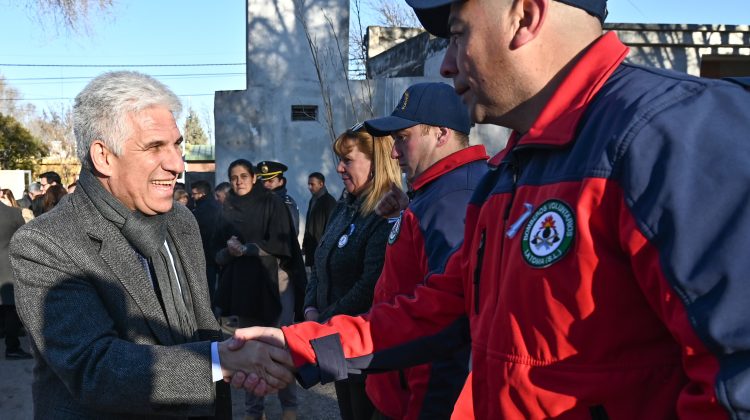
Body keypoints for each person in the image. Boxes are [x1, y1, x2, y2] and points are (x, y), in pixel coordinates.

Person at [231, 0, 750, 418]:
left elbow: (735, 381)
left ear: (525, 15)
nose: (447, 63)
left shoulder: (676, 134)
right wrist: (299, 347)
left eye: (458, 33)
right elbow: (438, 312)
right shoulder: (511, 170)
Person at [9, 71, 295, 419]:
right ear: (104, 156)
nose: (177, 164)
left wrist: (239, 344)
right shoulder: (44, 243)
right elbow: (95, 368)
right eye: (154, 147)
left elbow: (190, 328)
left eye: (177, 144)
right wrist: (221, 360)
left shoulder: (180, 220)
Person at [360, 81, 488, 420]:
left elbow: (448, 329)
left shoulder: (452, 198)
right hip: (399, 388)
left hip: (416, 401)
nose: (393, 153)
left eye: (403, 138)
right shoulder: (440, 192)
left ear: (442, 134)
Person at [302, 124, 403, 420]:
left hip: (363, 348)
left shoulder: (386, 212)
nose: (339, 168)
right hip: (332, 339)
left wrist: (322, 321)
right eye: (340, 160)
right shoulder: (345, 205)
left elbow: (369, 283)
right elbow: (320, 259)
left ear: (376, 163)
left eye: (348, 160)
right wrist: (310, 306)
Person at [212, 158, 306, 420]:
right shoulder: (227, 207)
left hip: (274, 281)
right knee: (249, 345)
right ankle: (255, 411)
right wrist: (229, 252)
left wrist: (248, 249)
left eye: (244, 176)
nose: (238, 181)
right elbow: (216, 250)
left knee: (279, 343)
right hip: (244, 287)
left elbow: (282, 245)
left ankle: (289, 407)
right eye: (233, 177)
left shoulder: (272, 203)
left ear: (253, 178)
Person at [0, 192, 32, 360]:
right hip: (7, 267)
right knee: (11, 308)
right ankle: (12, 347)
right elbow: (21, 240)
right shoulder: (13, 214)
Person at [191, 180, 222, 305]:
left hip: (206, 254)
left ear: (202, 193)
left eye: (194, 193)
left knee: (208, 288)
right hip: (213, 253)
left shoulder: (203, 210)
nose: (192, 196)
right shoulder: (214, 206)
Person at [301, 172, 336, 268]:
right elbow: (309, 225)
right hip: (312, 250)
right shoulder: (313, 200)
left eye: (312, 184)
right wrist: (305, 245)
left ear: (321, 184)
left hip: (322, 251)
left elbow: (332, 228)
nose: (309, 187)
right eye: (308, 184)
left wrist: (325, 249)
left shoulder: (329, 202)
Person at [256, 160, 300, 235]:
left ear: (281, 182)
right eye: (264, 181)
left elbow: (292, 233)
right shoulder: (259, 201)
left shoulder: (286, 203)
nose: (266, 185)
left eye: (270, 181)